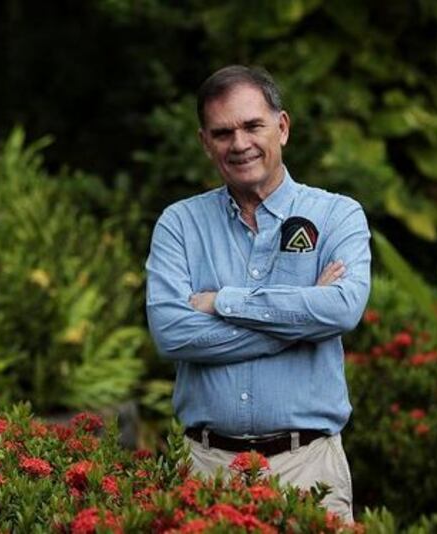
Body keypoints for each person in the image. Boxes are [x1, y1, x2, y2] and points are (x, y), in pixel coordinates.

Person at [145, 65, 371, 523]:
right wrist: (299, 322)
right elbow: (171, 334)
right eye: (223, 132)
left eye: (252, 126)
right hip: (205, 470)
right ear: (206, 143)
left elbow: (344, 309)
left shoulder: (338, 216)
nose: (240, 143)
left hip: (309, 468)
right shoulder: (179, 225)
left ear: (282, 127)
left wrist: (223, 302)